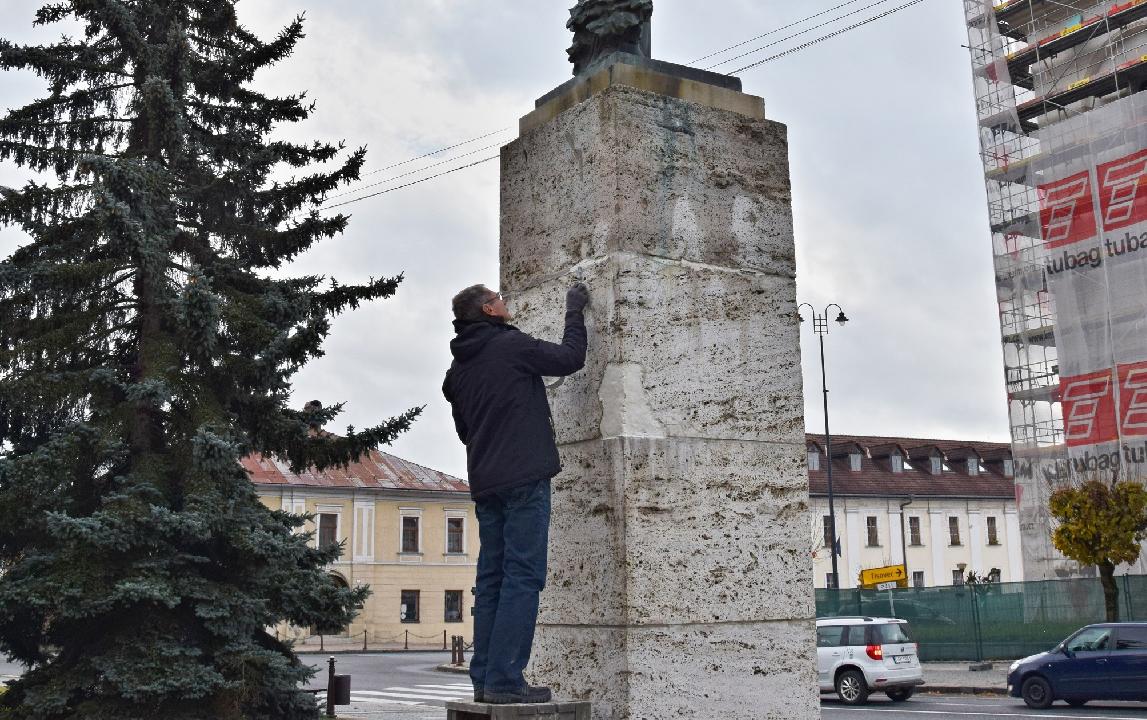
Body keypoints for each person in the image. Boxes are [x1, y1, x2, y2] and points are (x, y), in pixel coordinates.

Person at [442, 282, 590, 704]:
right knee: (523, 577)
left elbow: (465, 432)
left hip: (486, 483)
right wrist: (574, 312)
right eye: (499, 300)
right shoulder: (510, 346)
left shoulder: (457, 373)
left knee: (491, 581)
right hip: (524, 477)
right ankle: (506, 682)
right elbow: (569, 359)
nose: (507, 304)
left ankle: (486, 681)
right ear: (489, 309)